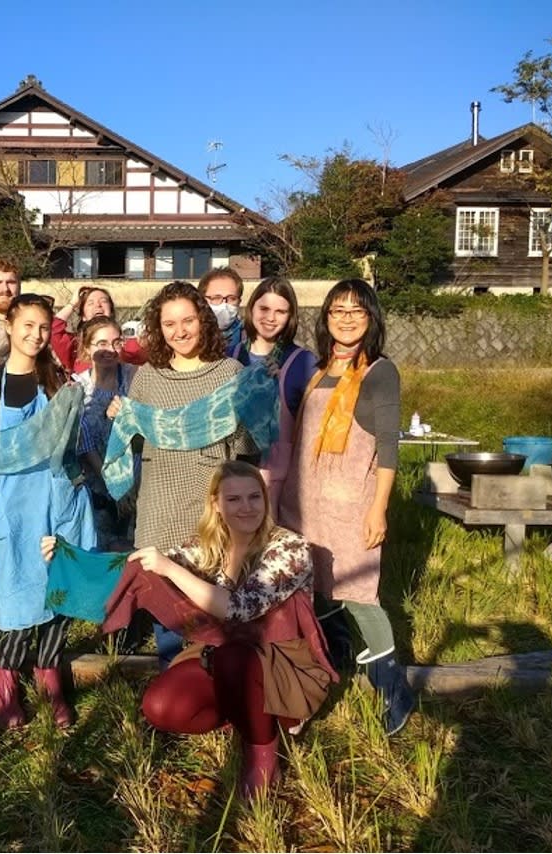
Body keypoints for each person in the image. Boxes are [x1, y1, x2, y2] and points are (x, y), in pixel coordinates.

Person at [101, 462, 336, 800]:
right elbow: (139, 567)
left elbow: (238, 608)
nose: (246, 507)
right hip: (222, 656)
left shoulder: (289, 548)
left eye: (255, 497)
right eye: (234, 499)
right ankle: (246, 715)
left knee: (232, 657)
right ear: (215, 504)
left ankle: (263, 755)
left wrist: (170, 569)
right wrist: (68, 558)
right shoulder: (208, 546)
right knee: (161, 706)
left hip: (284, 662)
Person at [278, 278, 415, 736]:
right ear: (327, 318)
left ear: (371, 317)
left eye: (356, 311)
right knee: (314, 590)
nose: (347, 318)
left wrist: (379, 508)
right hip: (304, 502)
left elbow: (388, 446)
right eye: (337, 310)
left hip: (351, 502)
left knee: (360, 594)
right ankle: (327, 672)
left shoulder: (379, 371)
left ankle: (394, 689)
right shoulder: (318, 367)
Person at [0, 293, 97, 729]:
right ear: (8, 326)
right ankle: (4, 681)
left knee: (56, 591)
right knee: (17, 596)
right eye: (28, 326)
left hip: (55, 498)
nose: (37, 335)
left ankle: (50, 679)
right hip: (14, 505)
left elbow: (72, 443)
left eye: (44, 327)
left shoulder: (57, 382)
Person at [112, 280, 259, 666]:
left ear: (203, 321)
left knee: (215, 618)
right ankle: (174, 701)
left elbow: (245, 451)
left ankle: (217, 703)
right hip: (160, 508)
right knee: (169, 619)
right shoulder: (147, 377)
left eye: (188, 320)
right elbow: (139, 443)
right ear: (157, 329)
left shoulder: (230, 373)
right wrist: (122, 420)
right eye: (169, 324)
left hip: (211, 513)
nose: (180, 331)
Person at [229, 277, 318, 517]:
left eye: (281, 311)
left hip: (277, 480)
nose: (270, 318)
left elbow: (314, 421)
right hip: (232, 472)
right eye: (264, 309)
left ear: (290, 317)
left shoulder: (303, 362)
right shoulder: (230, 356)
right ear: (252, 309)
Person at [72, 316, 137, 550]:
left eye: (116, 342)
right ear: (87, 348)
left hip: (134, 481)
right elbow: (84, 444)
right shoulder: (77, 388)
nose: (110, 349)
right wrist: (113, 484)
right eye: (101, 343)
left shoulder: (133, 376)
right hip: (97, 485)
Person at [51, 284, 146, 372]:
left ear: (111, 311)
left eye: (103, 301)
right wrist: (73, 303)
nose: (98, 305)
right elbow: (54, 328)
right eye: (90, 303)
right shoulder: (75, 346)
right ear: (83, 316)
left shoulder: (130, 344)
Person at [198, 267, 244, 352]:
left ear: (239, 301)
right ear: (202, 301)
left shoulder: (249, 340)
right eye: (216, 298)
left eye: (232, 298)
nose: (224, 304)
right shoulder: (189, 337)